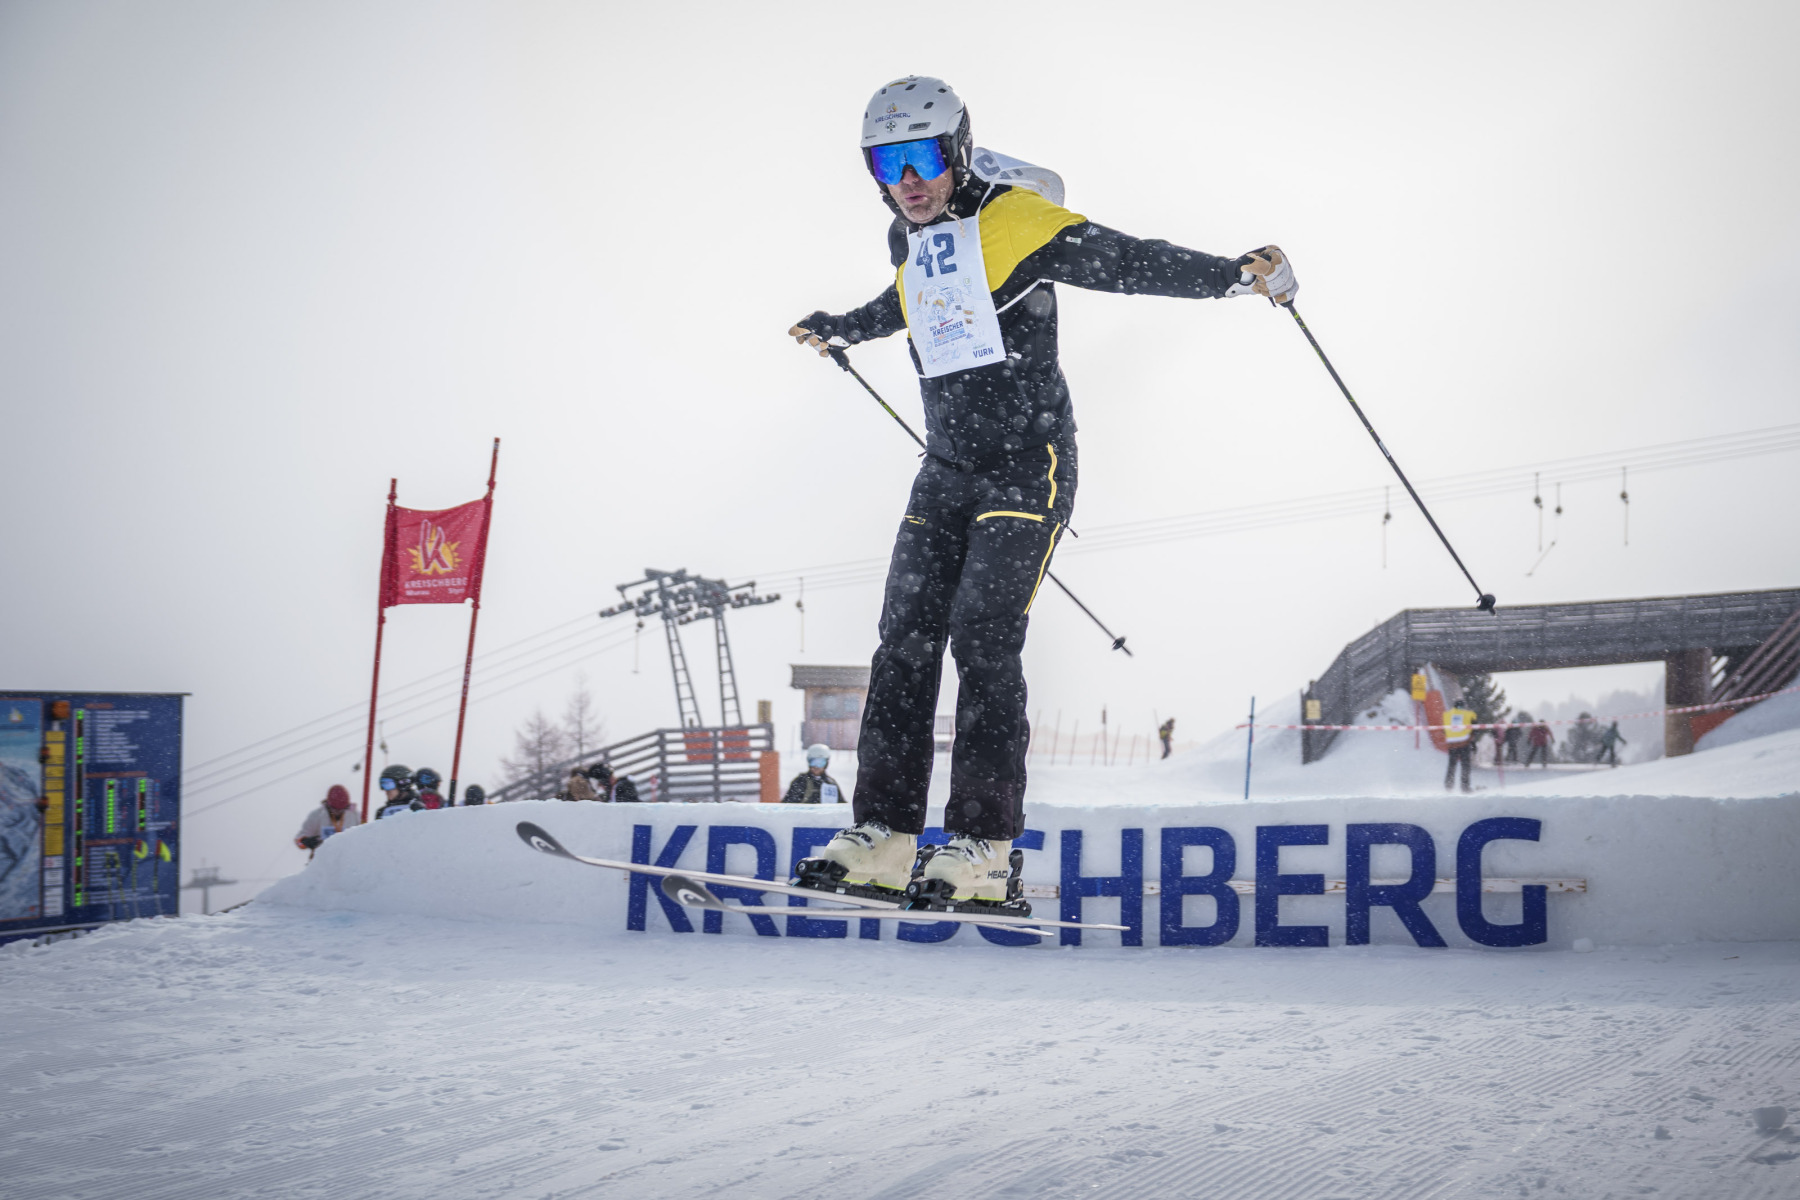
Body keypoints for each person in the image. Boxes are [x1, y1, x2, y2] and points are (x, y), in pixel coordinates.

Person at [790, 76, 1295, 906]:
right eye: (886, 164)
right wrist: (846, 325)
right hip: (946, 468)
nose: (907, 181)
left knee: (982, 637)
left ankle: (985, 849)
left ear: (957, 151)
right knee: (903, 638)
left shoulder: (1020, 221)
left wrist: (1232, 276)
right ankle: (884, 836)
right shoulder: (906, 234)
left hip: (1029, 464)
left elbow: (1127, 259)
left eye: (923, 159)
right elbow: (912, 298)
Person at [296, 784, 359, 856]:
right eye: (335, 810)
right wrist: (305, 841)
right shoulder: (317, 815)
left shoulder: (355, 815)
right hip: (322, 859)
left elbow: (363, 838)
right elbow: (299, 841)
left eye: (342, 810)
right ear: (329, 805)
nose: (338, 812)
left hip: (347, 858)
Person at [1442, 705, 1478, 793]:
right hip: (1464, 743)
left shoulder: (1447, 714)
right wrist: (1472, 741)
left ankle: (1448, 786)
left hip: (1452, 744)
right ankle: (1465, 787)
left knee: (1452, 765)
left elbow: (1444, 730)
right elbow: (1475, 726)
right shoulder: (1469, 714)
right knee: (1465, 766)